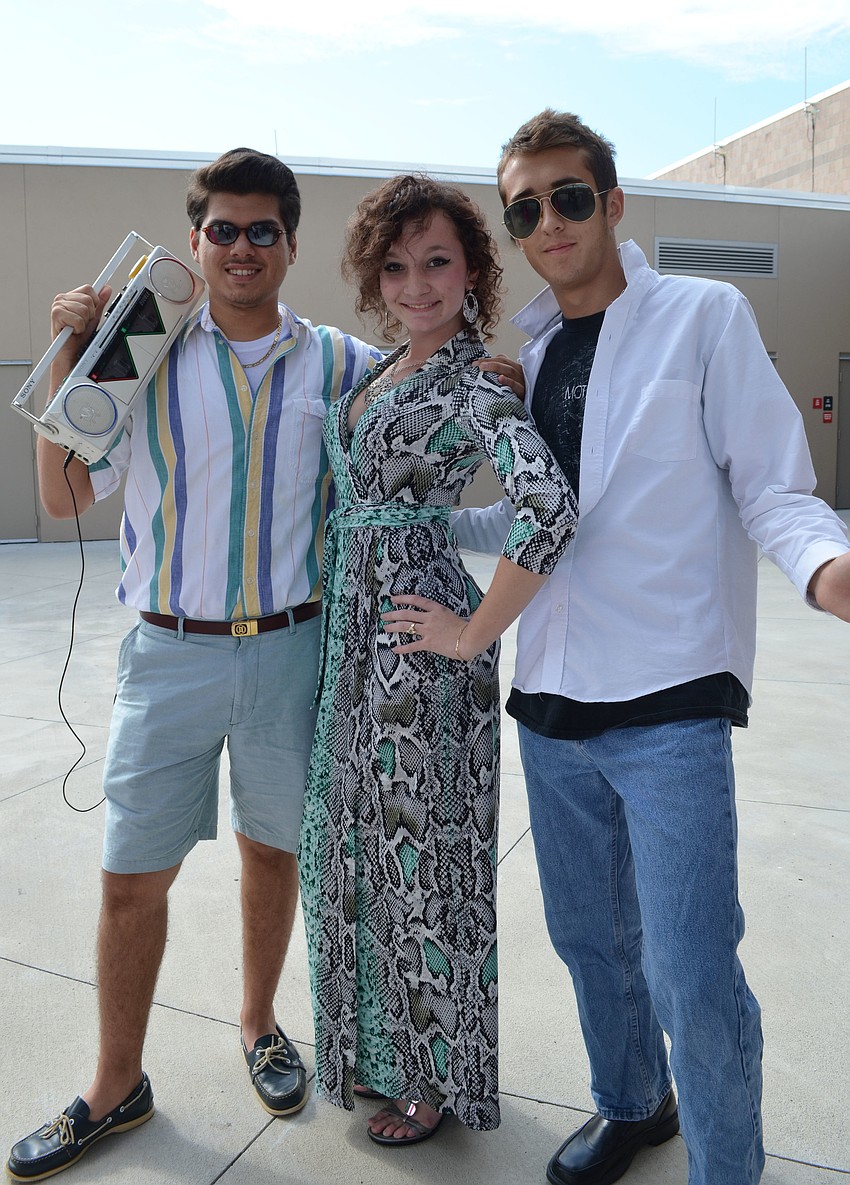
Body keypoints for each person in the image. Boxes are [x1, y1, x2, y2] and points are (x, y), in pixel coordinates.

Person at [450, 109, 850, 1185]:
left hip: (668, 709)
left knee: (689, 971)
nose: (549, 221)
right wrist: (416, 526)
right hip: (550, 704)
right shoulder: (525, 360)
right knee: (590, 947)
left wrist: (825, 567)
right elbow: (536, 523)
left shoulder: (702, 316)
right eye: (524, 208)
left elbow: (772, 486)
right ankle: (633, 1105)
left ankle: (727, 1169)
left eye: (568, 196)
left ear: (612, 204)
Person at [6, 148, 387, 1183]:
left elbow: (421, 392)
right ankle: (114, 1083)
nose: (242, 247)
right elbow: (64, 498)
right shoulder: (143, 354)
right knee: (133, 880)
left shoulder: (339, 361)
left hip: (290, 650)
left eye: (263, 230)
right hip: (168, 653)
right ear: (194, 244)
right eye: (223, 229)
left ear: (290, 244)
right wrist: (67, 359)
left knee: (273, 855)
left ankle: (260, 1024)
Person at [298, 174, 579, 1147]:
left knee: (423, 869)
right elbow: (419, 500)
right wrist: (419, 525)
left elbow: (550, 511)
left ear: (472, 270)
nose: (416, 283)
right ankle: (377, 1055)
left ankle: (434, 1082)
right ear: (375, 276)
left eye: (437, 262)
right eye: (397, 264)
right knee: (353, 858)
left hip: (418, 658)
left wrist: (470, 632)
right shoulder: (381, 368)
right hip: (351, 648)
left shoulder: (473, 380)